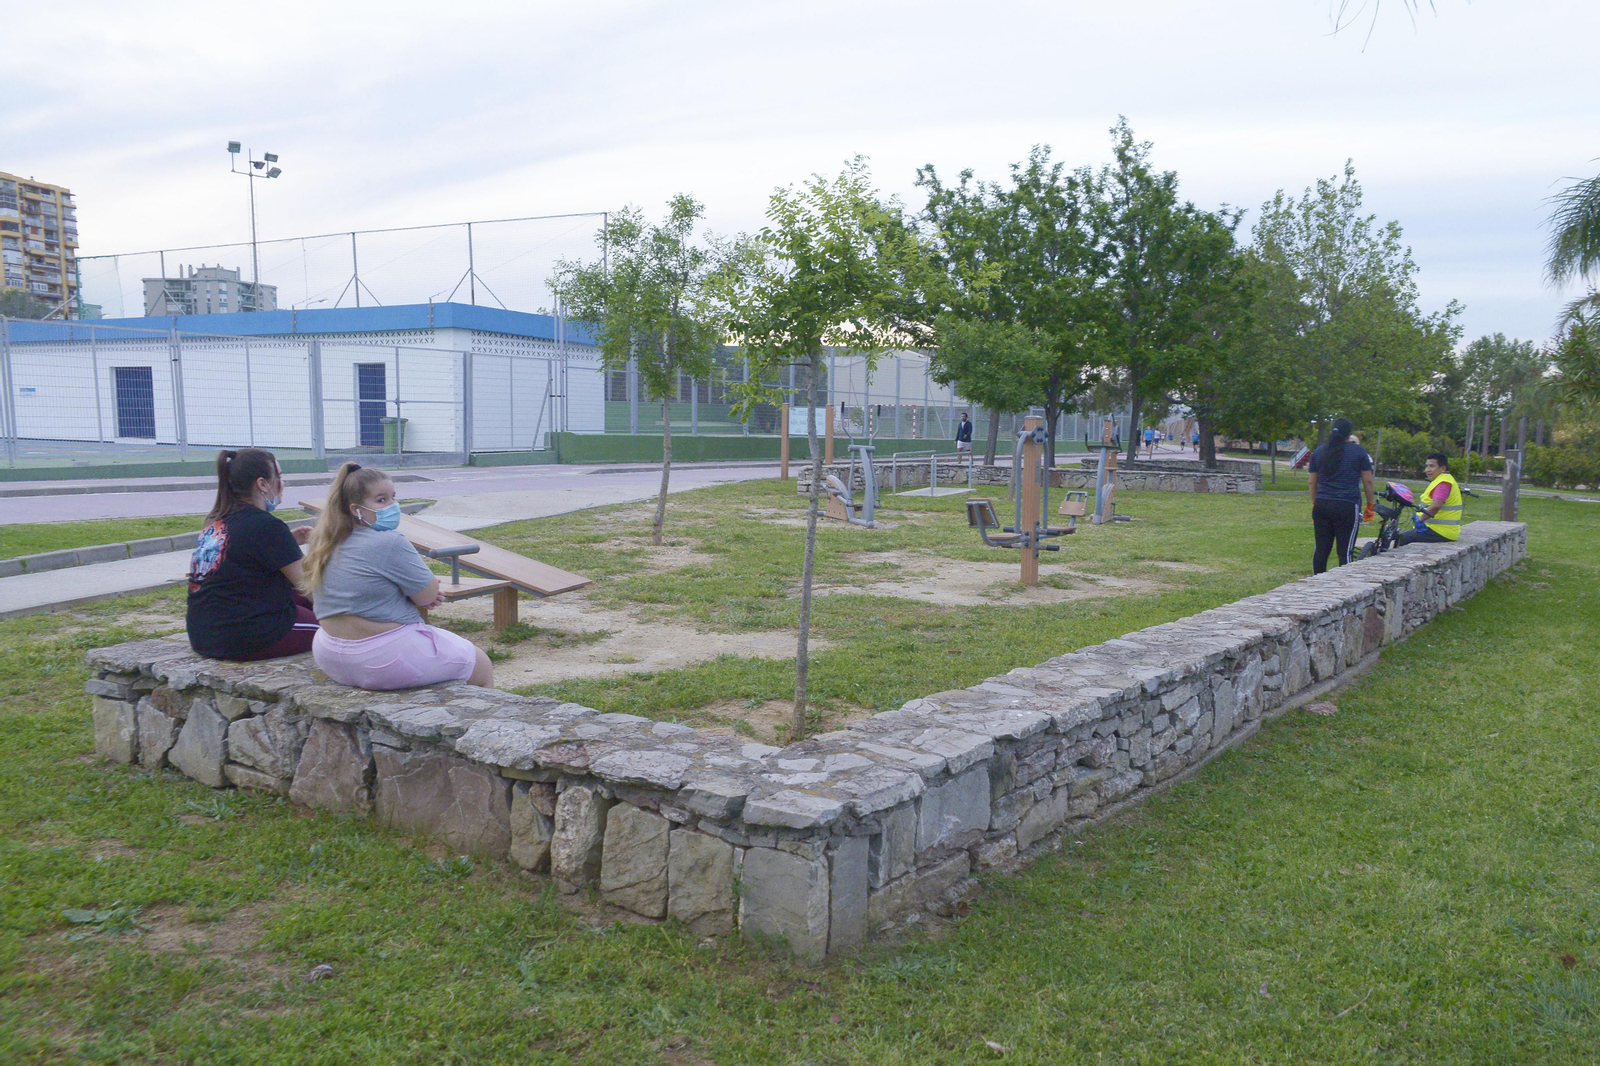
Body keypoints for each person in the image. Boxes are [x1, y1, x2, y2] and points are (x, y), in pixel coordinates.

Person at [301, 462, 494, 691]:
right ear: (356, 509)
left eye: (393, 497)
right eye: (381, 500)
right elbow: (426, 596)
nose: (392, 505)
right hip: (383, 656)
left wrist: (420, 593)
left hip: (329, 653)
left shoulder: (325, 542)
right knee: (481, 665)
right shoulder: (390, 541)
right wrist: (426, 592)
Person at [187, 449, 319, 661]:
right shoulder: (267, 526)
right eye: (280, 477)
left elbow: (239, 562)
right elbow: (312, 589)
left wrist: (286, 545)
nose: (282, 484)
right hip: (247, 637)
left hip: (204, 634)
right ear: (262, 484)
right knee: (334, 627)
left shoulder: (216, 521)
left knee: (299, 599)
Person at [1307, 417, 1376, 574]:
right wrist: (1370, 504)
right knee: (1345, 550)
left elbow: (1312, 483)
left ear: (1332, 431)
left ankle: (1316, 581)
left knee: (1321, 549)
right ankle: (1344, 585)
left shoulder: (1319, 452)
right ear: (1349, 434)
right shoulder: (1359, 452)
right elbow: (1368, 481)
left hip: (1322, 504)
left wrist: (1315, 503)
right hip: (1347, 504)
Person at [1398, 452, 1463, 546]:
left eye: (1432, 466)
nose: (1427, 470)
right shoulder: (1442, 479)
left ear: (1443, 468)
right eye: (1427, 466)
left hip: (1440, 531)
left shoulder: (1443, 483)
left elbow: (1436, 505)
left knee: (1402, 539)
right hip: (1441, 529)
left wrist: (1420, 519)